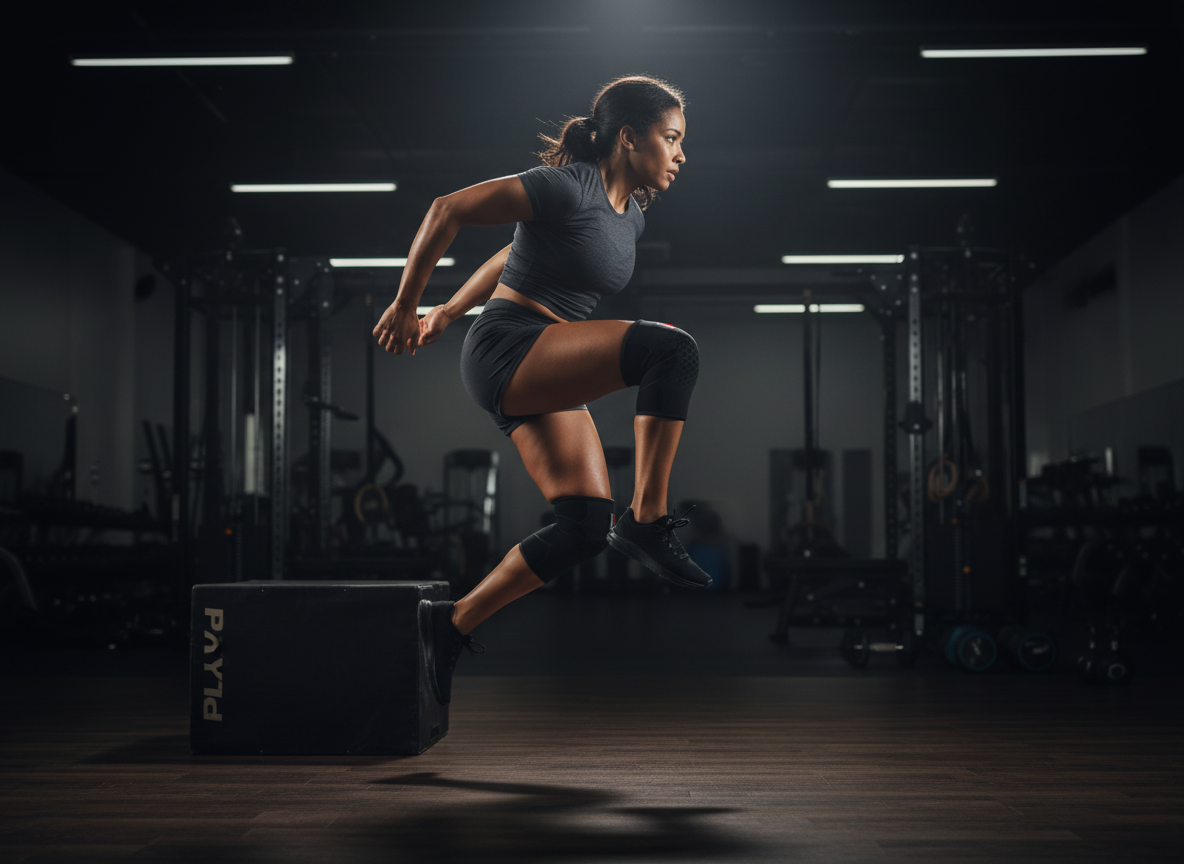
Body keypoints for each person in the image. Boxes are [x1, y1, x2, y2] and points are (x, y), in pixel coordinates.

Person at [372, 75, 709, 704]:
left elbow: (512, 249)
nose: (681, 154)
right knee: (672, 350)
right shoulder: (567, 185)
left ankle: (446, 628)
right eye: (672, 138)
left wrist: (447, 312)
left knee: (582, 527)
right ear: (630, 138)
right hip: (512, 345)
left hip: (542, 355)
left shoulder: (629, 218)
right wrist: (408, 304)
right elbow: (449, 208)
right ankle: (648, 520)